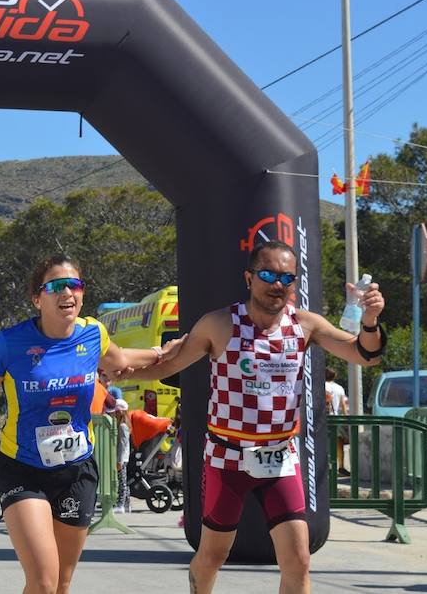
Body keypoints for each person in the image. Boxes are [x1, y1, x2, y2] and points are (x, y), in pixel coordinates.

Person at [127, 241, 386, 594]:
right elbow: (170, 365)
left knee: (299, 559)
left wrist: (369, 322)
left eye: (286, 277)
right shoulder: (219, 324)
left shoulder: (305, 325)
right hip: (227, 458)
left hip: (279, 457)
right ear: (249, 278)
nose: (277, 284)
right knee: (212, 556)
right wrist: (114, 373)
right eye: (267, 274)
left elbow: (364, 355)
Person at [0, 254, 186, 594]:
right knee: (44, 582)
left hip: (77, 471)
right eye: (57, 286)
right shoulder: (9, 343)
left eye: (75, 285)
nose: (69, 293)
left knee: (61, 584)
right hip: (22, 469)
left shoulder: (93, 334)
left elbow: (121, 360)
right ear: (37, 298)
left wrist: (161, 351)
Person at [325, 367, 350, 477]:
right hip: (336, 418)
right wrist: (345, 419)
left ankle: (326, 467)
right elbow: (343, 405)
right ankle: (341, 466)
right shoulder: (340, 388)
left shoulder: (321, 386)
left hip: (324, 419)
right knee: (339, 443)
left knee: (323, 443)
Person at [110, 398, 131, 513]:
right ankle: (126, 503)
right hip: (122, 458)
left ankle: (121, 504)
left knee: (121, 481)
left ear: (120, 412)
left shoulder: (122, 427)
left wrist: (120, 461)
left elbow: (122, 445)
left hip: (121, 459)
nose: (114, 414)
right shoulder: (121, 425)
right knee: (123, 480)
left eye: (116, 412)